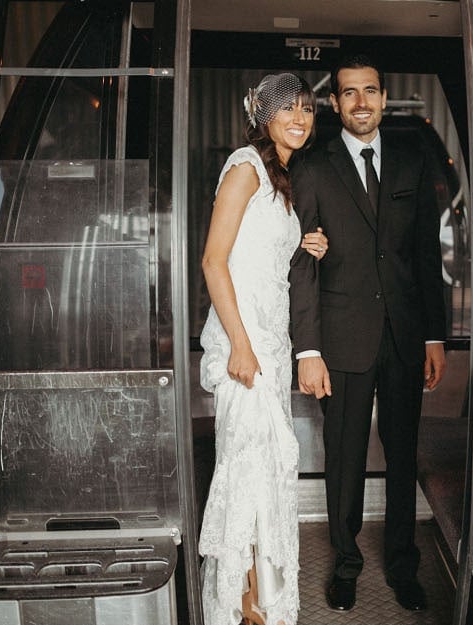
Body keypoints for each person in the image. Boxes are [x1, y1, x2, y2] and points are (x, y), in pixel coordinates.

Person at [288, 54, 448, 613]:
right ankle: (346, 563)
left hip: (405, 337)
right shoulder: (311, 167)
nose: (361, 102)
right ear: (336, 103)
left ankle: (405, 565)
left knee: (403, 457)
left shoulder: (411, 160)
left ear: (384, 98)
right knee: (346, 456)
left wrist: (435, 336)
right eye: (349, 93)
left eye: (370, 92)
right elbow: (301, 262)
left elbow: (428, 256)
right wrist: (307, 349)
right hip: (341, 339)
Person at [197, 72, 329, 625]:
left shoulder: (279, 177)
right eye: (289, 109)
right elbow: (213, 260)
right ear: (265, 117)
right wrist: (240, 347)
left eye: (307, 109)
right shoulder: (245, 167)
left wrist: (301, 242)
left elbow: (259, 251)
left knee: (269, 479)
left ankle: (263, 605)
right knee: (249, 479)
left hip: (271, 351)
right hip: (246, 350)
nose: (301, 118)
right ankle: (244, 611)